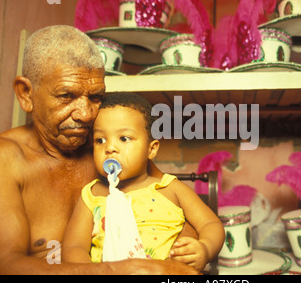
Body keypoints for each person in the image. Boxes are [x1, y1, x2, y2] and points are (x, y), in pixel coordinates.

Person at [0, 25, 199, 274]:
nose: (86, 115)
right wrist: (121, 271)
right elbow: (1, 267)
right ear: (26, 94)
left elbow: (175, 211)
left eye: (95, 97)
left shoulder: (109, 147)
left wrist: (183, 258)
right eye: (66, 95)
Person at [62, 92, 224, 271]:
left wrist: (205, 248)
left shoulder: (169, 188)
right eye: (100, 140)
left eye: (124, 138)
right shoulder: (92, 195)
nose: (110, 148)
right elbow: (73, 247)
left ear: (151, 149)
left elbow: (211, 224)